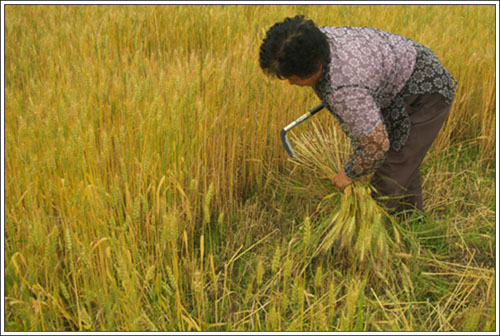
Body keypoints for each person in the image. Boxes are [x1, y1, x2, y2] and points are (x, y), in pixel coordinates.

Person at [259, 15, 457, 214]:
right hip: (399, 74)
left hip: (425, 91)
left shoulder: (344, 88)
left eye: (292, 78)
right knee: (402, 162)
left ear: (316, 67)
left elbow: (377, 145)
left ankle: (368, 235)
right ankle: (411, 220)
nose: (291, 83)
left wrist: (348, 174)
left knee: (390, 174)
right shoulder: (315, 41)